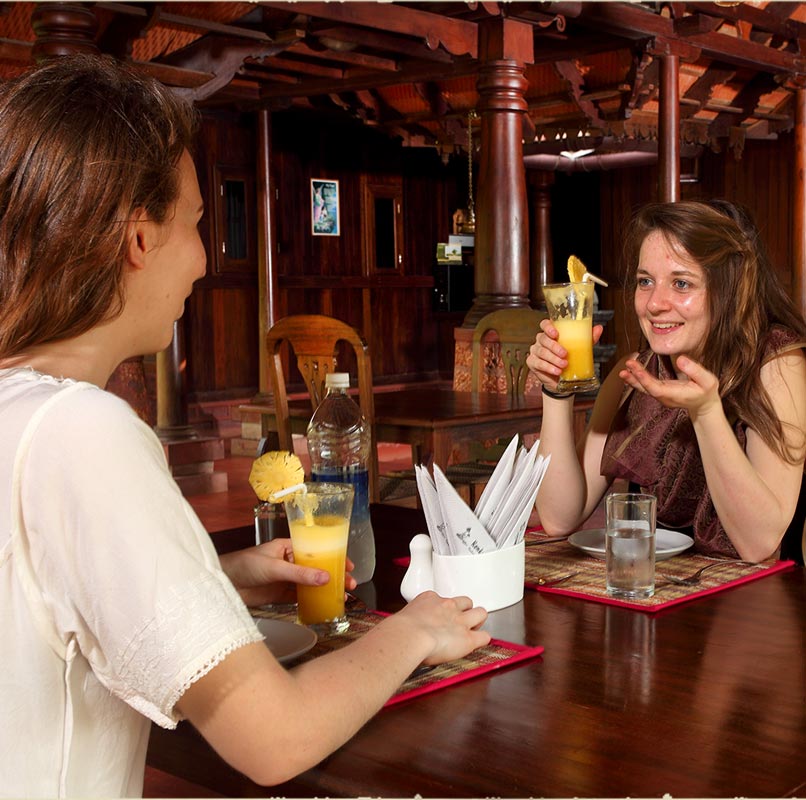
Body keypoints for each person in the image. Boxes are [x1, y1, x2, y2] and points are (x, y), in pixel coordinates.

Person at [0, 55, 490, 798]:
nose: (203, 262)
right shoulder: (80, 431)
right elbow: (275, 738)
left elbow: (41, 609)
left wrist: (218, 581)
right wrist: (417, 628)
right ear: (139, 238)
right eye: (196, 223)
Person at [528, 200, 806, 565]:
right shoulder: (633, 374)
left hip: (762, 596)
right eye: (645, 281)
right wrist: (555, 389)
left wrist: (705, 411)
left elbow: (758, 545)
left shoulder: (777, 363)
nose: (655, 304)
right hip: (655, 590)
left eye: (681, 283)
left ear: (728, 290)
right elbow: (559, 517)